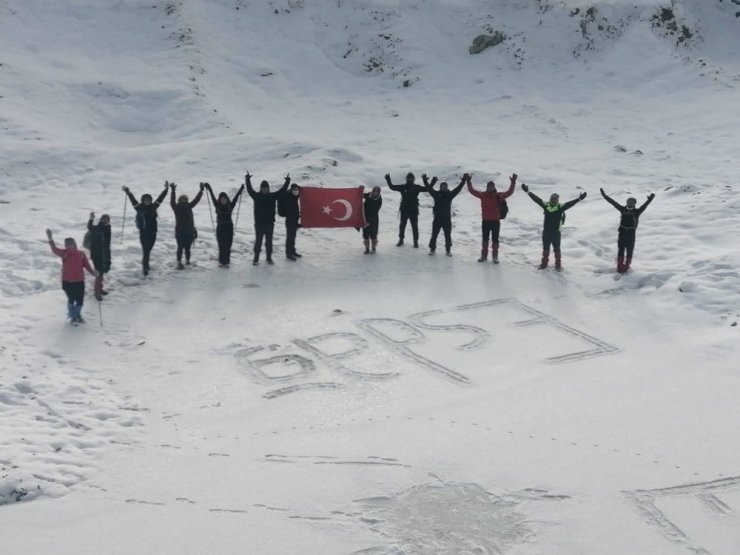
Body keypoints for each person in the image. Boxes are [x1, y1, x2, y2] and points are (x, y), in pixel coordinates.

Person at [521, 183, 587, 271]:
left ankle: (558, 265)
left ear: (557, 200)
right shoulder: (546, 205)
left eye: (555, 198)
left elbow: (570, 204)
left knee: (557, 249)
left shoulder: (560, 207)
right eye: (552, 198)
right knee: (545, 249)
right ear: (550, 198)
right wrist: (528, 192)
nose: (553, 199)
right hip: (546, 232)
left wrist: (579, 199)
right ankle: (544, 264)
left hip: (556, 233)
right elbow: (536, 199)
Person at [46, 229, 97, 324]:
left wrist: (93, 273)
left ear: (75, 244)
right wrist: (50, 239)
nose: (69, 246)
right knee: (71, 298)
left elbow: (86, 265)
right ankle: (72, 316)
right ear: (65, 245)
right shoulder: (64, 253)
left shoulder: (81, 254)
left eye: (71, 243)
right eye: (67, 244)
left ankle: (78, 314)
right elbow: (54, 249)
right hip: (67, 281)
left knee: (80, 300)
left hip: (79, 281)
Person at [600, 188, 655, 273]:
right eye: (628, 202)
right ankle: (620, 266)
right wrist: (604, 196)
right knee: (621, 250)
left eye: (631, 202)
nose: (629, 203)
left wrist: (650, 199)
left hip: (630, 235)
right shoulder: (623, 210)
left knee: (629, 251)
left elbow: (644, 206)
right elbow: (613, 202)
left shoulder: (637, 212)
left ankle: (626, 267)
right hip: (622, 234)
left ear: (634, 204)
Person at [466, 172, 517, 263]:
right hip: (485, 221)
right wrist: (468, 181)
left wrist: (513, 182)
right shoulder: (483, 195)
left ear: (494, 187)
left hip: (495, 222)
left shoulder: (499, 196)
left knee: (495, 240)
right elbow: (472, 191)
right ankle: (484, 256)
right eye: (489, 186)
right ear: (487, 187)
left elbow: (510, 192)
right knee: (485, 239)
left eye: (491, 186)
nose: (490, 187)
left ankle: (495, 256)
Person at [122, 182, 169, 276]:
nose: (147, 201)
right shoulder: (139, 208)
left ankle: (146, 264)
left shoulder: (154, 206)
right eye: (145, 200)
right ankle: (145, 267)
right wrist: (128, 192)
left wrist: (166, 189)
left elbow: (161, 198)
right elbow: (133, 200)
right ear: (143, 200)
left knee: (149, 249)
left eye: (148, 200)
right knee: (146, 250)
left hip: (153, 232)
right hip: (143, 233)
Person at [246, 173, 290, 265]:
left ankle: (269, 257)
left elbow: (282, 191)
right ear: (261, 188)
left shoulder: (272, 196)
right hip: (259, 224)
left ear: (268, 188)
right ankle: (256, 258)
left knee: (269, 242)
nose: (264, 189)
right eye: (263, 187)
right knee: (258, 241)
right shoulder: (256, 196)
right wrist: (247, 179)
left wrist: (287, 181)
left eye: (266, 187)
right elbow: (249, 190)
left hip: (269, 224)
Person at [422, 174, 465, 256]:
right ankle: (432, 249)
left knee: (447, 236)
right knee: (434, 235)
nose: (443, 187)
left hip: (446, 219)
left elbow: (457, 189)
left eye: (445, 186)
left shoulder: (450, 195)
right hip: (437, 219)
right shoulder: (436, 194)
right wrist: (425, 181)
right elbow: (429, 189)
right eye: (442, 186)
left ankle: (448, 250)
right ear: (440, 187)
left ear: (447, 187)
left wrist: (463, 182)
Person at [205, 181, 244, 268]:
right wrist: (209, 187)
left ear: (226, 199)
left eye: (224, 199)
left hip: (229, 227)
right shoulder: (217, 205)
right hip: (220, 227)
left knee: (228, 245)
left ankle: (227, 261)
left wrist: (241, 189)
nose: (223, 200)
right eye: (221, 199)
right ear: (220, 199)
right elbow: (212, 197)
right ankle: (221, 261)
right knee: (221, 245)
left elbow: (236, 198)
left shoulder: (230, 205)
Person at [384, 172, 426, 247]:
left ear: (413, 179)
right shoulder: (403, 187)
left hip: (413, 211)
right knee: (402, 226)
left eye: (411, 178)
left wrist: (427, 180)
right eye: (408, 178)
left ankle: (415, 242)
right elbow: (392, 187)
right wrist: (388, 179)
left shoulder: (416, 187)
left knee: (414, 226)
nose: (410, 179)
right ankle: (401, 240)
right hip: (404, 210)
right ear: (406, 179)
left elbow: (427, 189)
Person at [170, 182, 204, 270]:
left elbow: (196, 200)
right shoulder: (176, 208)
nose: (183, 201)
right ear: (179, 200)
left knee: (188, 248)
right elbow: (172, 202)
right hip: (180, 231)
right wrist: (173, 191)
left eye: (185, 200)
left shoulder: (189, 206)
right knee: (180, 247)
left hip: (189, 231)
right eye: (182, 200)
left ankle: (187, 261)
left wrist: (201, 191)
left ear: (187, 200)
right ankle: (179, 262)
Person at [86, 212, 111, 300]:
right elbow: (90, 227)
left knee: (102, 272)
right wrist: (91, 219)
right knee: (99, 274)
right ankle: (97, 292)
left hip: (104, 254)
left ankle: (99, 289)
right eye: (104, 219)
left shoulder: (108, 228)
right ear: (101, 220)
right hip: (97, 254)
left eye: (107, 220)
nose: (105, 221)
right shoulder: (97, 228)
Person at [279, 183, 302, 261]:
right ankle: (289, 254)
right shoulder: (288, 197)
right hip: (290, 221)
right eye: (295, 190)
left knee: (293, 237)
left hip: (295, 219)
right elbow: (289, 210)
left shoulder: (294, 196)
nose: (296, 191)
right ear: (291, 190)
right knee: (290, 238)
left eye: (297, 190)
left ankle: (292, 251)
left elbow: (299, 194)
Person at [362, 186, 383, 254]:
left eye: (377, 192)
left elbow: (374, 210)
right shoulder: (369, 194)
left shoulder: (379, 200)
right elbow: (361, 195)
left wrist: (369, 221)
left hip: (373, 218)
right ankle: (367, 248)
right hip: (365, 217)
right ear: (373, 191)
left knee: (373, 234)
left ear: (379, 192)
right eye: (374, 191)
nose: (375, 193)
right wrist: (360, 189)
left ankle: (373, 248)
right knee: (365, 234)